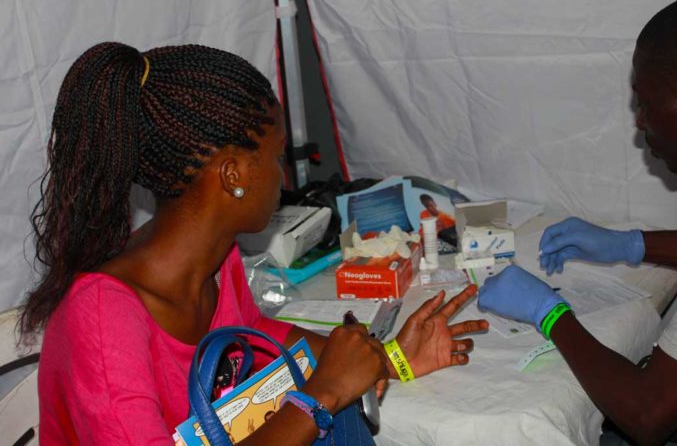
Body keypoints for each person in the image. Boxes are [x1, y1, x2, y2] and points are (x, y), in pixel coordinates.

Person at [21, 42, 488, 445]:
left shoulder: (214, 257)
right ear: (234, 175)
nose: (282, 175)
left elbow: (256, 329)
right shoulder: (103, 321)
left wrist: (382, 359)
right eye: (276, 155)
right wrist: (322, 395)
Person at [478, 0, 677, 445]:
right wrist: (630, 243)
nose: (640, 123)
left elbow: (646, 415)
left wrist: (550, 313)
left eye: (647, 103)